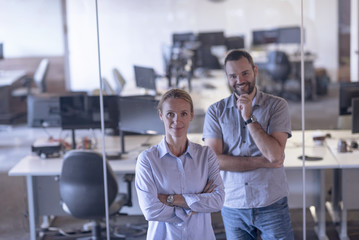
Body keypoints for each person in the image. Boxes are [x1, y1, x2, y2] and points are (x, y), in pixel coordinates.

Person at [203, 49, 294, 239]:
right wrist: (262, 162)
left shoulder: (277, 106)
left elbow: (275, 155)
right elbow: (215, 161)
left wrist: (249, 118)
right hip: (233, 204)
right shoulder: (215, 111)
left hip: (271, 201)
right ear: (227, 78)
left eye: (245, 73)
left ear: (255, 71)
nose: (240, 80)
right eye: (233, 76)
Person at [135, 88, 225, 240]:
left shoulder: (206, 155)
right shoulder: (147, 159)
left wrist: (170, 200)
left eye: (183, 113)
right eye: (170, 114)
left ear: (191, 115)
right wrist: (197, 203)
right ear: (161, 115)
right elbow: (150, 210)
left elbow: (217, 201)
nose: (177, 120)